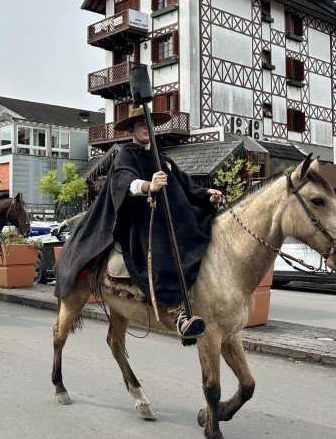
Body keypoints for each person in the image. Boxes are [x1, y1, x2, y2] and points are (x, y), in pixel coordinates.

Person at [54, 107, 223, 342]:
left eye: (150, 123)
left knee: (201, 235)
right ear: (132, 129)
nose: (146, 127)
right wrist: (147, 186)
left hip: (170, 219)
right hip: (140, 221)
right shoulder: (126, 154)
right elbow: (123, 180)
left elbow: (185, 184)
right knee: (163, 248)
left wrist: (206, 193)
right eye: (141, 124)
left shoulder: (163, 159)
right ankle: (177, 313)